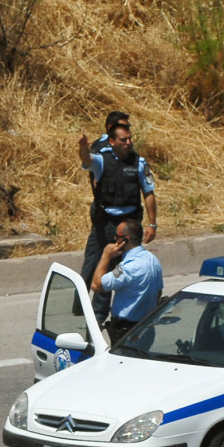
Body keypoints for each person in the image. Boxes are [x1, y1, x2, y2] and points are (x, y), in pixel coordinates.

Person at [78, 122, 157, 322]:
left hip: (131, 224)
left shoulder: (139, 163)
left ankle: (133, 312)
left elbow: (148, 192)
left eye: (130, 139)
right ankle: (98, 316)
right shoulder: (102, 160)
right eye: (123, 140)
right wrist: (83, 148)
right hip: (108, 225)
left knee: (130, 266)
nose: (128, 143)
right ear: (112, 141)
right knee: (105, 266)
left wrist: (152, 224)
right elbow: (86, 159)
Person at [90, 222, 164, 344]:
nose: (114, 239)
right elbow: (158, 292)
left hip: (127, 333)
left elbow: (96, 285)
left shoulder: (128, 268)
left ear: (126, 239)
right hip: (146, 328)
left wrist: (106, 256)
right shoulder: (153, 259)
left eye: (117, 235)